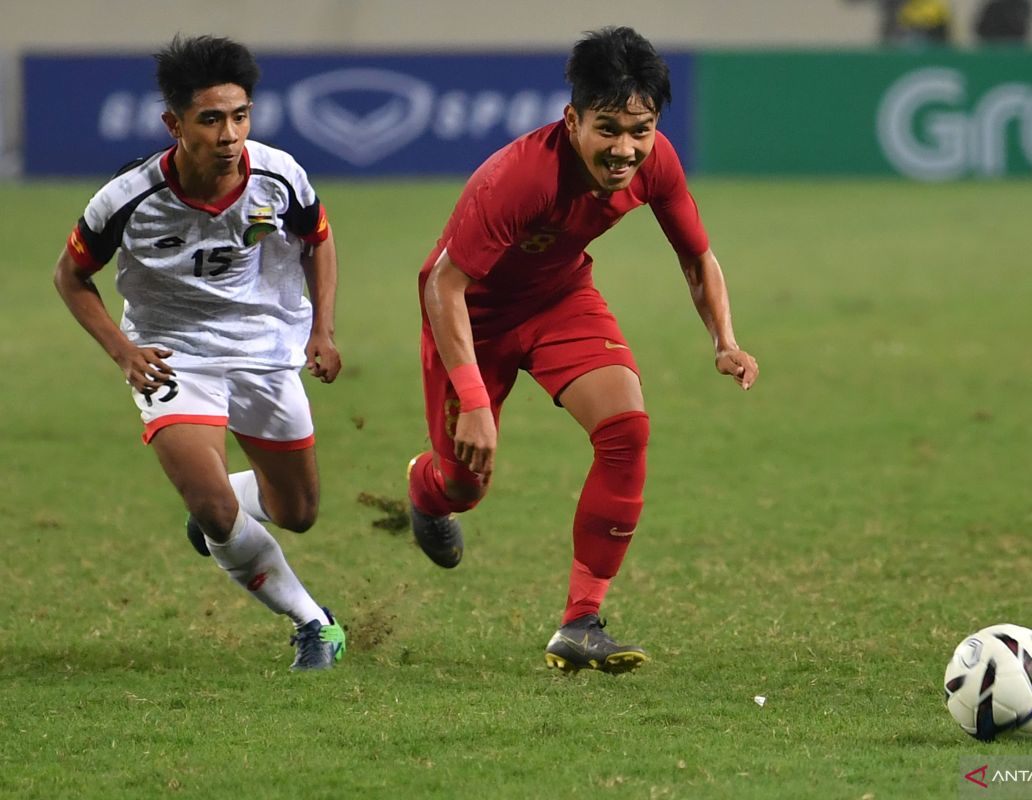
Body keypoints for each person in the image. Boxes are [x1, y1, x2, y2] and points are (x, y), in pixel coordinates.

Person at [408, 26, 759, 673]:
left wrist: (725, 341)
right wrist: (473, 395)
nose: (625, 150)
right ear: (572, 120)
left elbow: (696, 255)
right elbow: (443, 285)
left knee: (626, 429)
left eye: (640, 130)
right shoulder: (519, 179)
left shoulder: (656, 163)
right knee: (464, 484)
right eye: (608, 129)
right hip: (471, 317)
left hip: (558, 300)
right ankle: (427, 492)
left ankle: (581, 620)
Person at [53, 34, 346, 671]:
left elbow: (319, 240)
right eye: (211, 119)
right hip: (172, 356)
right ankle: (312, 623)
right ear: (175, 123)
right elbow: (70, 276)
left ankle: (222, 506)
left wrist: (322, 330)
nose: (229, 134)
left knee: (298, 511)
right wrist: (124, 351)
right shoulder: (125, 199)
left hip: (267, 351)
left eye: (239, 116)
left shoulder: (279, 174)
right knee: (213, 510)